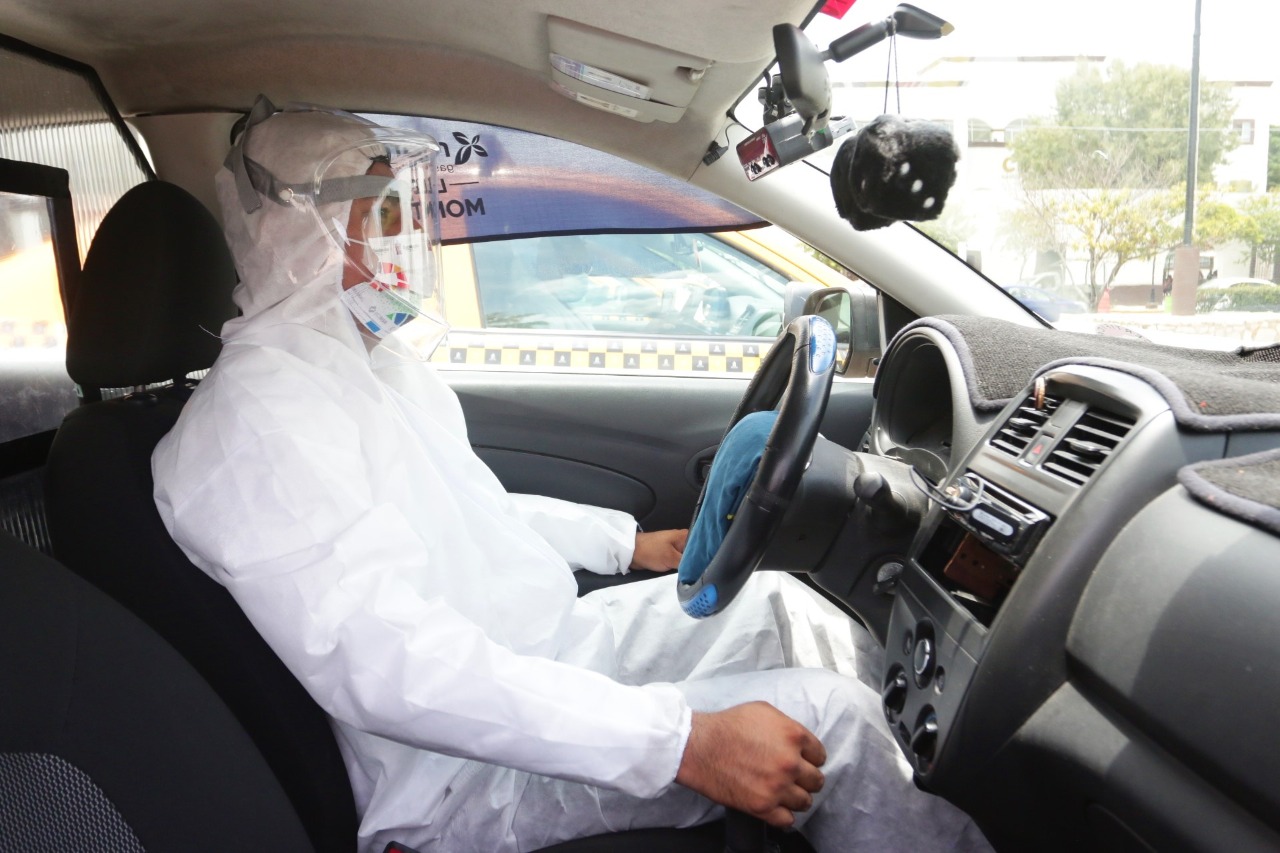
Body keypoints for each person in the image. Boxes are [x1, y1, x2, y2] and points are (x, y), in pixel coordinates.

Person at [152, 100, 989, 852]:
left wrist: (626, 543)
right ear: (300, 230)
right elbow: (390, 666)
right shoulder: (256, 420)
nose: (413, 236)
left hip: (540, 657)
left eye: (407, 208)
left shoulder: (364, 363)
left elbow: (467, 508)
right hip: (460, 779)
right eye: (383, 215)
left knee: (779, 603)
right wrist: (684, 741)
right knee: (835, 722)